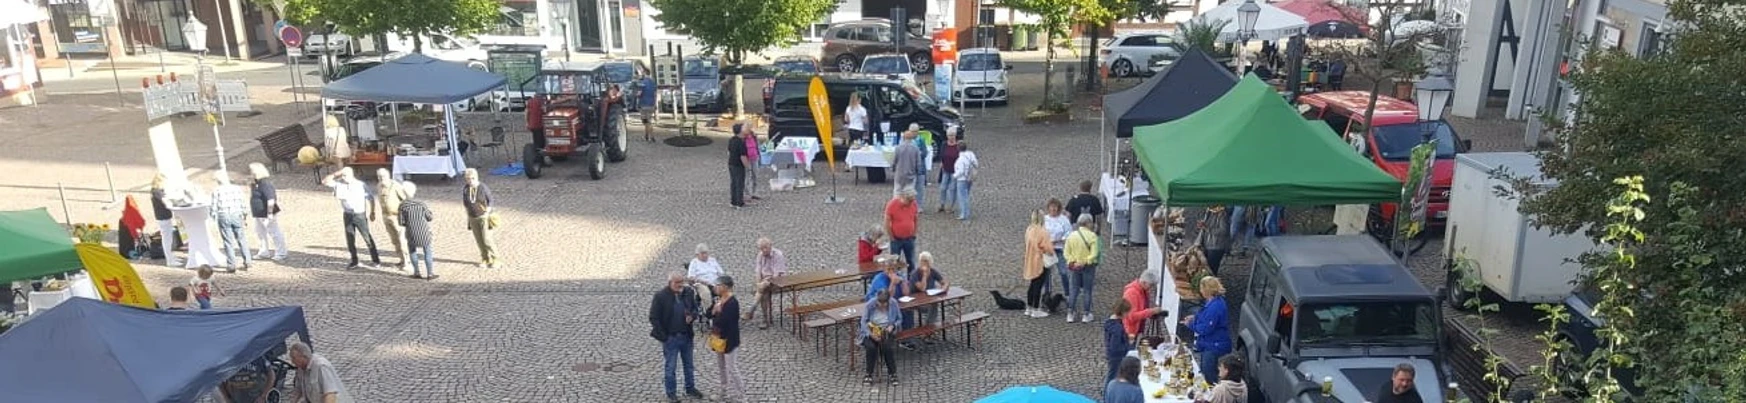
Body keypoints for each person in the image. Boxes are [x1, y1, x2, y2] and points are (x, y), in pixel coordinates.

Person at [650, 272, 705, 402]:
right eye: (677, 282)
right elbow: (654, 317)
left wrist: (692, 316)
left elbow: (695, 310)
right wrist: (664, 337)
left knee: (689, 365)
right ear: (670, 283)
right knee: (671, 367)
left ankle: (690, 388)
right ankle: (671, 393)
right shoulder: (660, 296)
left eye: (682, 282)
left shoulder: (688, 292)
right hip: (671, 338)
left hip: (686, 336)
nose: (680, 285)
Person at [323, 167, 381, 270]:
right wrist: (337, 173)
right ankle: (354, 260)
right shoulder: (340, 183)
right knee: (350, 239)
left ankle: (375, 260)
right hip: (348, 214)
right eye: (343, 176)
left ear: (351, 175)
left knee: (367, 237)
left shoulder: (360, 185)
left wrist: (372, 212)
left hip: (359, 214)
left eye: (346, 176)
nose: (344, 178)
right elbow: (325, 181)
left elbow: (371, 198)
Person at [1184, 276, 1233, 384]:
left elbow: (1205, 329)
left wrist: (1191, 324)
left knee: (1208, 373)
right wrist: (1195, 317)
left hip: (1214, 344)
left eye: (1201, 288)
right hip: (1211, 343)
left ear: (1207, 290)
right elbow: (1205, 316)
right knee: (1206, 369)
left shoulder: (1215, 307)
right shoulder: (1214, 301)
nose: (1200, 291)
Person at [710, 275, 745, 402]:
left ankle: (741, 396)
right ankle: (723, 391)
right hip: (719, 339)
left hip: (729, 340)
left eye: (717, 285)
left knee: (732, 368)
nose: (715, 288)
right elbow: (710, 314)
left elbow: (726, 322)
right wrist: (714, 310)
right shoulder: (719, 300)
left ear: (724, 287)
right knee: (721, 366)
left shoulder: (732, 303)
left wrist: (718, 312)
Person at [859, 289, 902, 386]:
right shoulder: (870, 305)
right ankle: (868, 374)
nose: (882, 306)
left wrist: (893, 326)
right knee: (871, 348)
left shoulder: (893, 303)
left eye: (884, 304)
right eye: (879, 304)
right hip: (871, 330)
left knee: (887, 348)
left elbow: (899, 319)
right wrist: (871, 334)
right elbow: (863, 322)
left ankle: (893, 373)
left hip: (886, 330)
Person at [288, 341, 355, 403]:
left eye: (294, 358)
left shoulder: (321, 366)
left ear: (304, 356)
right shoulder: (300, 369)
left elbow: (330, 394)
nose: (292, 361)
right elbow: (298, 390)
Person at [1064, 214, 1101, 323]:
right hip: (1088, 266)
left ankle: (1070, 313)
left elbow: (1066, 253)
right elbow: (1094, 254)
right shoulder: (1093, 236)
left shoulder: (1071, 236)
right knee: (1087, 290)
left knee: (1074, 290)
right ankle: (1086, 314)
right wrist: (1085, 262)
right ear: (1088, 223)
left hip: (1075, 266)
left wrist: (1073, 262)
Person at [210, 174, 252, 271]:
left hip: (224, 215)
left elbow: (213, 207)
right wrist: (245, 216)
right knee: (241, 239)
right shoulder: (237, 189)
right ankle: (247, 260)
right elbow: (243, 203)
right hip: (236, 215)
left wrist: (213, 218)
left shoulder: (217, 190)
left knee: (228, 241)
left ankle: (231, 264)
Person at [397, 182, 437, 280]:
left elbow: (401, 222)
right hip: (423, 231)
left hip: (411, 232)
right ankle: (430, 273)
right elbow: (429, 217)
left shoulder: (402, 206)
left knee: (412, 251)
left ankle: (417, 272)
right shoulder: (421, 204)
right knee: (427, 251)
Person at [744, 238, 787, 329]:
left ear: (770, 246)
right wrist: (759, 282)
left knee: (762, 290)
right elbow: (758, 271)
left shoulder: (778, 255)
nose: (763, 250)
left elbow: (776, 274)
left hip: (778, 280)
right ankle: (761, 316)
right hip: (764, 281)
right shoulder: (760, 255)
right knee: (763, 293)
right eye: (761, 248)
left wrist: (765, 282)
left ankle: (753, 311)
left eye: (765, 248)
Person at [247, 163, 286, 260]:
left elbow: (271, 199)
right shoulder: (255, 183)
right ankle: (264, 251)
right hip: (258, 213)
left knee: (274, 232)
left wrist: (269, 213)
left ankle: (281, 252)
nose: (249, 173)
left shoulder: (265, 183)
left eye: (251, 171)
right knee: (260, 232)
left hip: (266, 213)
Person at [462, 168, 500, 268]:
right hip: (472, 217)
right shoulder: (466, 188)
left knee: (487, 239)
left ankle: (496, 259)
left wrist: (487, 212)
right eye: (468, 179)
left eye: (472, 178)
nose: (470, 181)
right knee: (479, 240)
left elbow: (490, 200)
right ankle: (485, 258)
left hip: (484, 216)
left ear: (476, 177)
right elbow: (465, 202)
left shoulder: (483, 187)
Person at [373, 169, 410, 269]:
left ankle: (407, 262)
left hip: (397, 216)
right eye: (379, 177)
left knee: (402, 241)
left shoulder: (395, 186)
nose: (381, 179)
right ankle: (401, 259)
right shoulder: (379, 186)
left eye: (383, 176)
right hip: (386, 216)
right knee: (394, 240)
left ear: (388, 176)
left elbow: (405, 200)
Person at [1022, 210, 1053, 318]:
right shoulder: (1042, 232)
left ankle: (1029, 307)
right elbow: (1048, 248)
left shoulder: (1029, 229)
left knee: (1032, 284)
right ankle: (1036, 309)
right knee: (1038, 285)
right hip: (1040, 260)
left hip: (1030, 259)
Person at [909, 251, 950, 329]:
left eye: (926, 261)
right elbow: (922, 288)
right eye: (922, 261)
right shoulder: (914, 274)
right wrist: (924, 275)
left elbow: (945, 282)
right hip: (916, 302)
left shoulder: (933, 271)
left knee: (934, 303)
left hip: (929, 298)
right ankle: (929, 327)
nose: (924, 263)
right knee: (933, 305)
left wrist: (944, 288)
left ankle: (929, 325)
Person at [1122, 270, 1168, 340]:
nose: (1151, 287)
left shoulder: (1142, 291)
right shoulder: (1131, 293)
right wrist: (1151, 311)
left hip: (1136, 330)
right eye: (1151, 285)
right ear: (1144, 282)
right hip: (1129, 332)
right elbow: (1131, 317)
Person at [1044, 199, 1074, 298]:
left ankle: (1067, 293)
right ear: (1048, 208)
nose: (1053, 209)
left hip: (1060, 248)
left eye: (1055, 206)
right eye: (1051, 206)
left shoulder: (1064, 219)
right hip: (1048, 249)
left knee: (1063, 272)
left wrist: (1059, 240)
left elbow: (1069, 233)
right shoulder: (1044, 219)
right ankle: (1047, 293)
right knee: (1047, 273)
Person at [884, 189, 920, 272]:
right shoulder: (892, 204)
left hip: (909, 238)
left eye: (912, 200)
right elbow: (886, 222)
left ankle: (911, 280)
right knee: (894, 263)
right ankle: (896, 279)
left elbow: (916, 219)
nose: (911, 203)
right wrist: (891, 237)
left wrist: (914, 233)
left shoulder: (913, 204)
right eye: (909, 201)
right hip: (896, 239)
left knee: (911, 261)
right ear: (903, 197)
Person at [150, 174, 181, 267]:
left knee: (169, 238)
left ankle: (171, 257)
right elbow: (165, 201)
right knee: (167, 239)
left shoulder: (156, 191)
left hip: (164, 216)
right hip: (163, 217)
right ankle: (170, 260)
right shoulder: (157, 191)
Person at [1103, 299, 1135, 383]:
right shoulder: (1117, 328)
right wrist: (1129, 344)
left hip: (1112, 354)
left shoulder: (1111, 322)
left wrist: (1126, 337)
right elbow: (1116, 346)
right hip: (1116, 356)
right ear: (1123, 312)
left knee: (1112, 375)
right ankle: (1108, 394)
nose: (1128, 314)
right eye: (1127, 312)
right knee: (1113, 376)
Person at [891, 125, 923, 199]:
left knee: (897, 191)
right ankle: (908, 208)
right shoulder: (915, 148)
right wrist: (918, 172)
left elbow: (894, 160)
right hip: (911, 174)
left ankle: (896, 206)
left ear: (903, 137)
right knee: (909, 193)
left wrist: (893, 168)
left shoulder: (898, 147)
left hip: (899, 174)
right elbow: (918, 162)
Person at [951, 138, 978, 220]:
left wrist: (954, 176)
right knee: (966, 195)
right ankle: (966, 212)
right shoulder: (971, 154)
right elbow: (976, 164)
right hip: (970, 178)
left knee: (962, 197)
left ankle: (964, 214)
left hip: (962, 180)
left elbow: (961, 171)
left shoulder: (960, 159)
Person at [1203, 206, 1232, 274]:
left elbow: (1224, 231)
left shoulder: (1222, 215)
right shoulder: (1209, 213)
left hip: (1216, 246)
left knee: (1212, 269)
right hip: (1208, 244)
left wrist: (1207, 229)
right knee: (1207, 267)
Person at [935, 133, 960, 213]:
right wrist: (941, 162)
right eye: (949, 135)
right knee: (943, 187)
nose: (951, 137)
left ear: (955, 136)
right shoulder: (944, 144)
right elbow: (941, 154)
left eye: (952, 135)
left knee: (952, 188)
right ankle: (942, 204)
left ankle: (950, 206)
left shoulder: (958, 145)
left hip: (955, 170)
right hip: (945, 168)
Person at [727, 123, 751, 208]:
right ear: (740, 131)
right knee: (739, 183)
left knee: (733, 183)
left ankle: (733, 201)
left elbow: (729, 152)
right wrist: (747, 166)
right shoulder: (741, 142)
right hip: (738, 165)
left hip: (731, 163)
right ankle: (739, 202)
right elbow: (743, 156)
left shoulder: (732, 140)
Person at [737, 124, 762, 202]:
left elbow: (757, 146)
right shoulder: (742, 138)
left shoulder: (754, 136)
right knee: (747, 176)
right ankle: (747, 193)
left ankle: (755, 192)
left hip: (754, 158)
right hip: (746, 159)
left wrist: (759, 155)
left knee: (755, 175)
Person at [639, 74, 658, 142]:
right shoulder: (653, 83)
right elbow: (655, 94)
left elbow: (639, 93)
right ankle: (646, 136)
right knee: (648, 121)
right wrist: (655, 104)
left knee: (646, 122)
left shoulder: (642, 83)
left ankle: (652, 136)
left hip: (644, 104)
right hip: (651, 105)